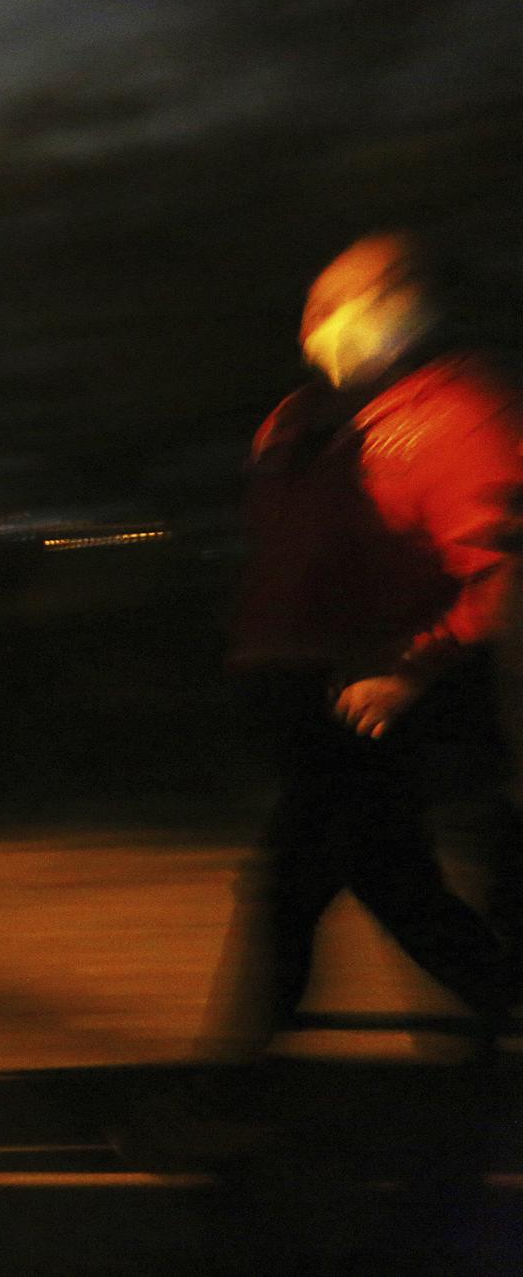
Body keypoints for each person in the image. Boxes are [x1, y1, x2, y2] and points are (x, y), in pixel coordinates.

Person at [212, 231, 523, 1061]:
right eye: (316, 306)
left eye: (347, 299)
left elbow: (498, 574)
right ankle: (482, 1026)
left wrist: (410, 671)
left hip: (379, 697)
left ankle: (235, 1082)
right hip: (298, 694)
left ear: (407, 304)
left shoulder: (462, 414)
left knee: (298, 881)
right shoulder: (293, 424)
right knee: (389, 882)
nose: (321, 321)